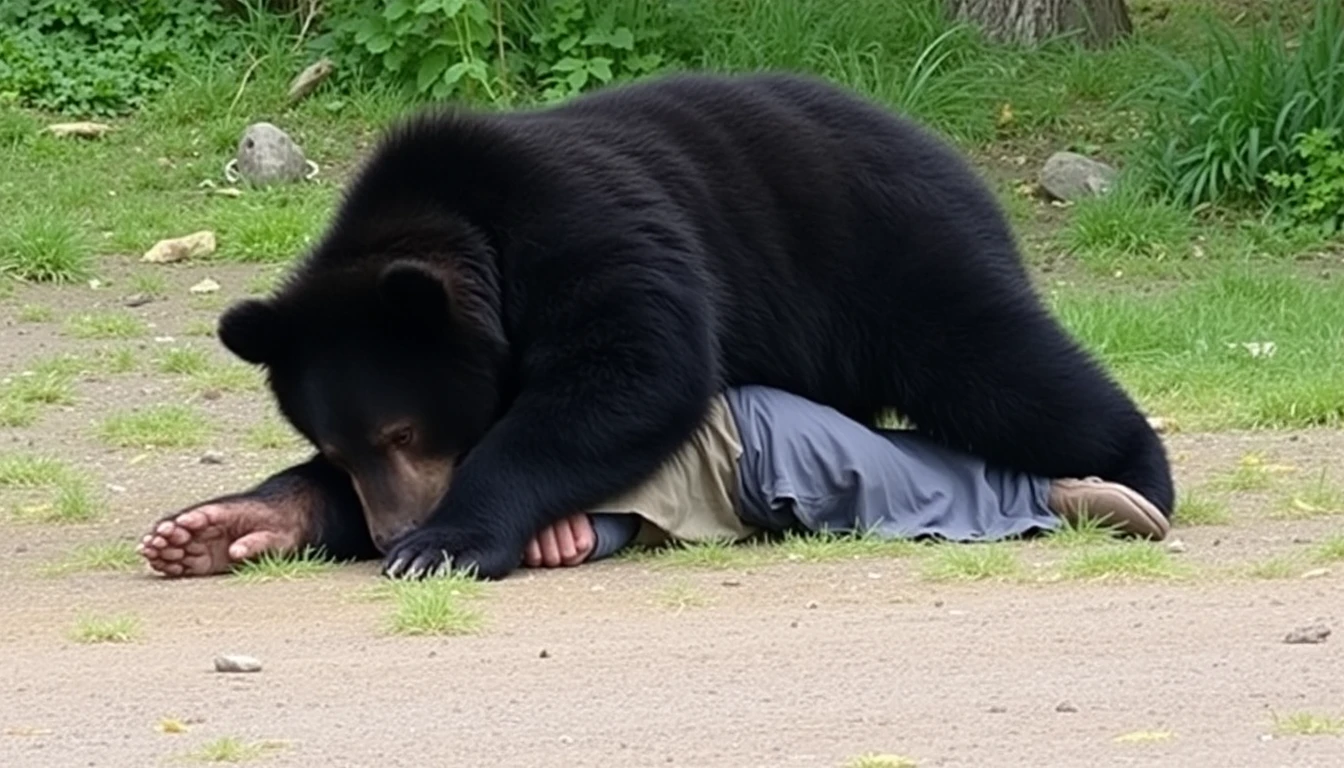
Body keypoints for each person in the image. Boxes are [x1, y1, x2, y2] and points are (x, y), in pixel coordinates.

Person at [139, 386, 1169, 577]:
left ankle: (1039, 497)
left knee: (822, 461)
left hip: (731, 435)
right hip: (680, 466)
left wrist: (1044, 496)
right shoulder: (437, 388)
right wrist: (291, 513)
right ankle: (278, 524)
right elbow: (409, 491)